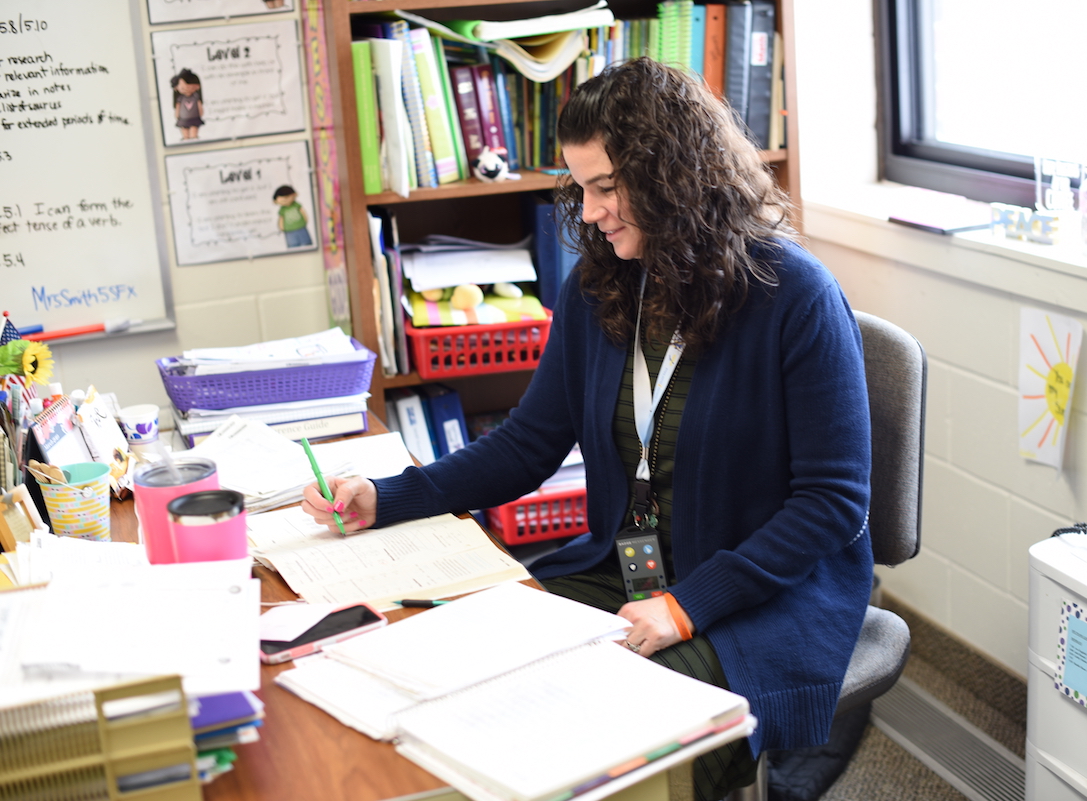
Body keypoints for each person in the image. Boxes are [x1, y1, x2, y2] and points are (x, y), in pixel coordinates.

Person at [302, 57, 873, 801]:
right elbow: (528, 443)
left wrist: (688, 603)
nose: (593, 210)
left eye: (608, 186)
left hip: (757, 596)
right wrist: (389, 496)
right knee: (492, 674)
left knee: (616, 734)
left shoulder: (793, 295)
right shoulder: (600, 285)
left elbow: (832, 504)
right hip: (631, 569)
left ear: (675, 174)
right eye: (582, 188)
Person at [170, 69, 204, 141]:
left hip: (194, 118)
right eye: (183, 88)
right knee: (185, 137)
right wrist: (177, 115)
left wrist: (201, 113)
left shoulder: (196, 97)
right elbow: (178, 107)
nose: (187, 90)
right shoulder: (180, 98)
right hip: (183, 119)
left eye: (190, 87)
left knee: (193, 135)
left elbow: (199, 106)